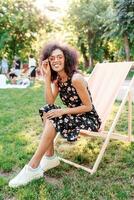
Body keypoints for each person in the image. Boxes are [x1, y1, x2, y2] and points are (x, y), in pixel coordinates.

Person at [9, 42, 101, 188]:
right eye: (52, 58)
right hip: (75, 117)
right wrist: (46, 77)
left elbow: (88, 106)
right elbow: (50, 101)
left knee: (54, 116)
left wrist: (62, 111)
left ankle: (33, 166)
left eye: (60, 57)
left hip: (88, 119)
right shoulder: (58, 80)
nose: (56, 60)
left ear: (66, 59)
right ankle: (50, 157)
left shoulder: (76, 78)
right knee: (48, 110)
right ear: (48, 61)